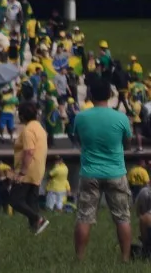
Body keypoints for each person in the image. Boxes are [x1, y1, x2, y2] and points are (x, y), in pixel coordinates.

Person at [74, 78, 134, 262]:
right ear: (110, 95)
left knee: (84, 217)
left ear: (90, 95)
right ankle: (125, 258)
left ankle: (80, 258)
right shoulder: (121, 118)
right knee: (122, 217)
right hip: (116, 171)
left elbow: (78, 140)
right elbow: (127, 143)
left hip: (90, 172)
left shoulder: (81, 117)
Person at [7, 101, 49, 235]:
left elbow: (29, 151)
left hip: (28, 169)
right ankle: (35, 231)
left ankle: (38, 219)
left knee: (15, 199)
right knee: (32, 202)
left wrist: (22, 172)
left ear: (23, 116)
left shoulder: (28, 130)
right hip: (38, 169)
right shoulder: (39, 128)